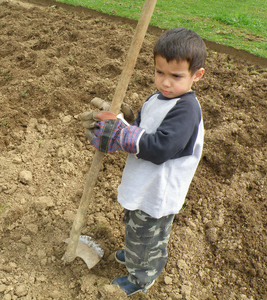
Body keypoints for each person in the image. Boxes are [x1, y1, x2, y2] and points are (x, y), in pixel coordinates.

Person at [81, 27, 206, 296]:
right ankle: (138, 252)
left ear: (197, 75)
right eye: (159, 72)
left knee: (148, 235)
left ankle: (142, 276)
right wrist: (122, 124)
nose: (165, 82)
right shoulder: (158, 98)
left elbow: (160, 147)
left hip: (158, 192)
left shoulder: (186, 109)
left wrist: (124, 134)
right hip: (144, 183)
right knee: (136, 226)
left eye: (176, 76)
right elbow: (141, 131)